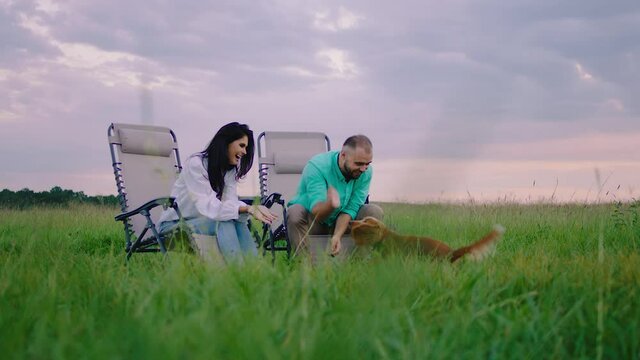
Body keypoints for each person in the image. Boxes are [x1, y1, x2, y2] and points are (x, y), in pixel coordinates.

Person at [158, 122, 276, 261]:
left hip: (203, 223)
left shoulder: (229, 171)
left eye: (246, 148)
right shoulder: (196, 164)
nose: (244, 152)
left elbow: (230, 204)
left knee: (235, 220)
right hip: (174, 226)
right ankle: (238, 273)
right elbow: (207, 205)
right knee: (224, 221)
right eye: (241, 145)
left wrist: (252, 208)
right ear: (226, 142)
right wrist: (247, 208)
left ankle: (254, 272)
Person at [286, 134, 384, 256]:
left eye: (367, 164)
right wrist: (330, 204)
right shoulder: (317, 167)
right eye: (358, 164)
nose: (363, 169)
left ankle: (359, 264)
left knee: (373, 211)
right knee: (295, 211)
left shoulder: (366, 172)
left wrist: (337, 235)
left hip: (342, 222)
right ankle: (304, 266)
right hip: (314, 223)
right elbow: (317, 212)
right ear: (343, 155)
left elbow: (351, 209)